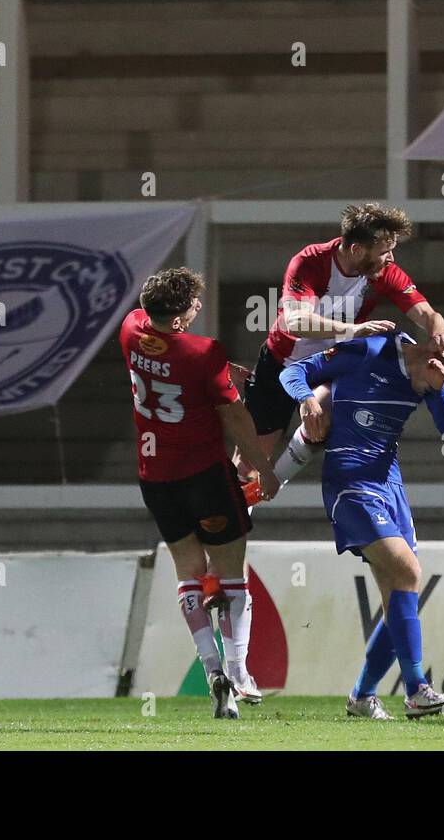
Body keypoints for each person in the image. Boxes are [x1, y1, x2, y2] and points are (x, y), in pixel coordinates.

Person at [279, 326, 444, 719]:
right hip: (350, 481)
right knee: (408, 572)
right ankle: (417, 690)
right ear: (433, 353)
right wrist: (307, 400)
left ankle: (362, 697)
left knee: (398, 594)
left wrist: (439, 391)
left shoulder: (429, 382)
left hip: (390, 486)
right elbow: (292, 373)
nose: (441, 384)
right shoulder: (372, 350)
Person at [120, 268, 280, 719]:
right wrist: (264, 469)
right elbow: (235, 418)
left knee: (189, 572)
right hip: (205, 476)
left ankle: (211, 670)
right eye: (193, 305)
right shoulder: (204, 352)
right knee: (231, 573)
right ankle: (239, 671)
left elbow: (168, 356)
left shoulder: (131, 328)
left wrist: (219, 371)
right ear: (183, 315)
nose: (196, 311)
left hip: (155, 477)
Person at [236, 203, 444, 502]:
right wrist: (353, 330)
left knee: (322, 415)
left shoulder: (385, 271)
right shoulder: (310, 261)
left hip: (329, 365)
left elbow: (427, 314)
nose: (390, 258)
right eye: (383, 251)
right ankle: (242, 497)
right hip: (281, 361)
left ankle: (274, 485)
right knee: (248, 463)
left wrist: (440, 332)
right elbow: (296, 321)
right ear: (355, 249)